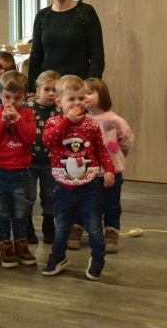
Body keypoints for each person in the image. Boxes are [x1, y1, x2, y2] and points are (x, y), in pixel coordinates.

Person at [42, 75, 115, 281]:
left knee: (94, 227)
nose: (78, 103)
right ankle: (58, 257)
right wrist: (67, 121)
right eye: (71, 99)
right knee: (61, 228)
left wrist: (109, 169)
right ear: (59, 102)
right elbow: (48, 140)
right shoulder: (53, 122)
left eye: (81, 98)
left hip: (90, 186)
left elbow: (101, 150)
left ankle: (98, 259)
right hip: (63, 187)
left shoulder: (91, 125)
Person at [0, 70, 37, 268]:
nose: (12, 102)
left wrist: (18, 119)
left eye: (17, 98)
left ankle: (21, 243)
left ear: (25, 96)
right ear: (0, 94)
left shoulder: (28, 114)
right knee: (1, 211)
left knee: (21, 212)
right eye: (7, 97)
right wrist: (2, 122)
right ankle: (5, 244)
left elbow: (30, 138)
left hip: (21, 173)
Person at [27, 0, 105, 90]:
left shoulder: (86, 12)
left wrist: (91, 86)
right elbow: (35, 56)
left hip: (78, 87)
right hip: (48, 89)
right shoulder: (42, 16)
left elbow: (97, 55)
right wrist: (31, 89)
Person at [82, 77, 135, 253]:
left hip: (111, 172)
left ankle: (111, 232)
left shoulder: (114, 120)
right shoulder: (81, 120)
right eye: (82, 94)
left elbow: (127, 141)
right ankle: (79, 228)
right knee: (85, 203)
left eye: (89, 93)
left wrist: (118, 157)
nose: (85, 97)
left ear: (102, 95)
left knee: (111, 204)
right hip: (87, 173)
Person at [27, 70, 61, 244]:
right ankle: (27, 226)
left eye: (55, 90)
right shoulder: (27, 107)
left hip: (51, 161)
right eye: (46, 89)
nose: (51, 93)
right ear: (38, 90)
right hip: (29, 160)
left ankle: (49, 225)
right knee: (29, 195)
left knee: (50, 194)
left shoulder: (61, 110)